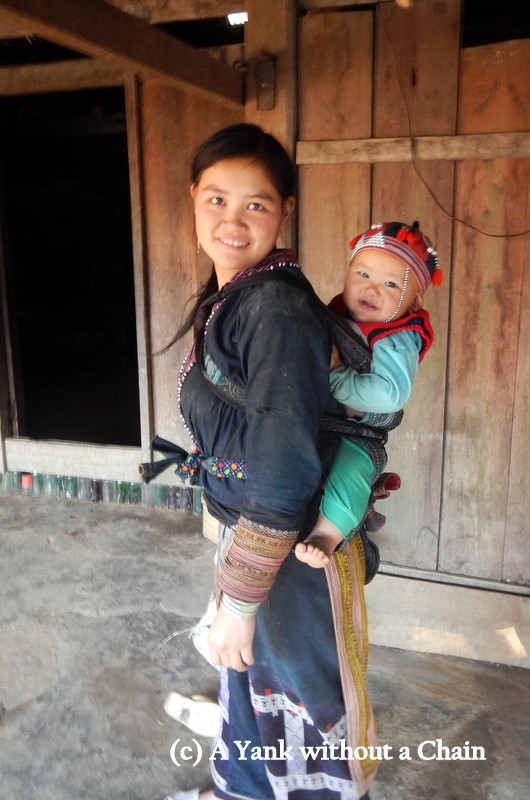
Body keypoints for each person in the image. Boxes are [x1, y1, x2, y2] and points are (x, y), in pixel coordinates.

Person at [165, 123, 388, 800]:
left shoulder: (275, 309)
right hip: (265, 550)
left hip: (293, 559)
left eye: (256, 204)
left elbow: (286, 467)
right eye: (217, 200)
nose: (232, 221)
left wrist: (241, 597)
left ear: (285, 209)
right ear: (194, 198)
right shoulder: (236, 296)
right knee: (252, 699)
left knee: (302, 711)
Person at [295, 221, 440, 568]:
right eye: (362, 274)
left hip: (359, 436)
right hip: (322, 421)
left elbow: (390, 395)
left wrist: (335, 377)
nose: (371, 289)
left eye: (390, 284)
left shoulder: (398, 335)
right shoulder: (338, 314)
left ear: (414, 301)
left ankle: (325, 536)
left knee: (351, 471)